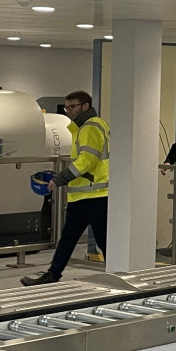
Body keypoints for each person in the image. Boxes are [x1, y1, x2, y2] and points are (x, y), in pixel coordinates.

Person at [21, 90, 110, 285]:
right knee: (68, 238)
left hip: (95, 194)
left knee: (102, 239)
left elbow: (87, 160)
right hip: (83, 195)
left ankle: (117, 273)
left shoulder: (91, 126)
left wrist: (60, 178)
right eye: (66, 107)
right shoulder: (82, 127)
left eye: (72, 107)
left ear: (85, 106)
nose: (68, 111)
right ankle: (53, 273)